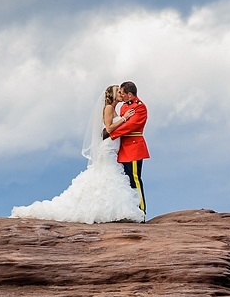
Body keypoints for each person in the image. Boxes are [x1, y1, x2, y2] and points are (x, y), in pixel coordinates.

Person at [10, 84, 145, 224]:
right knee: (107, 175)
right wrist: (124, 119)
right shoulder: (109, 108)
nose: (121, 94)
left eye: (122, 92)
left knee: (111, 176)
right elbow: (109, 129)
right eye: (119, 92)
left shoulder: (119, 108)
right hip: (108, 147)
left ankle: (114, 210)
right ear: (113, 94)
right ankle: (107, 210)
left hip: (114, 147)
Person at [109, 80, 150, 220]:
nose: (121, 95)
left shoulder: (140, 107)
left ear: (130, 94)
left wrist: (111, 134)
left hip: (133, 147)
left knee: (135, 180)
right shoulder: (124, 107)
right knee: (125, 181)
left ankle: (141, 212)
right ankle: (130, 211)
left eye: (122, 93)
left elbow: (130, 126)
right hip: (123, 148)